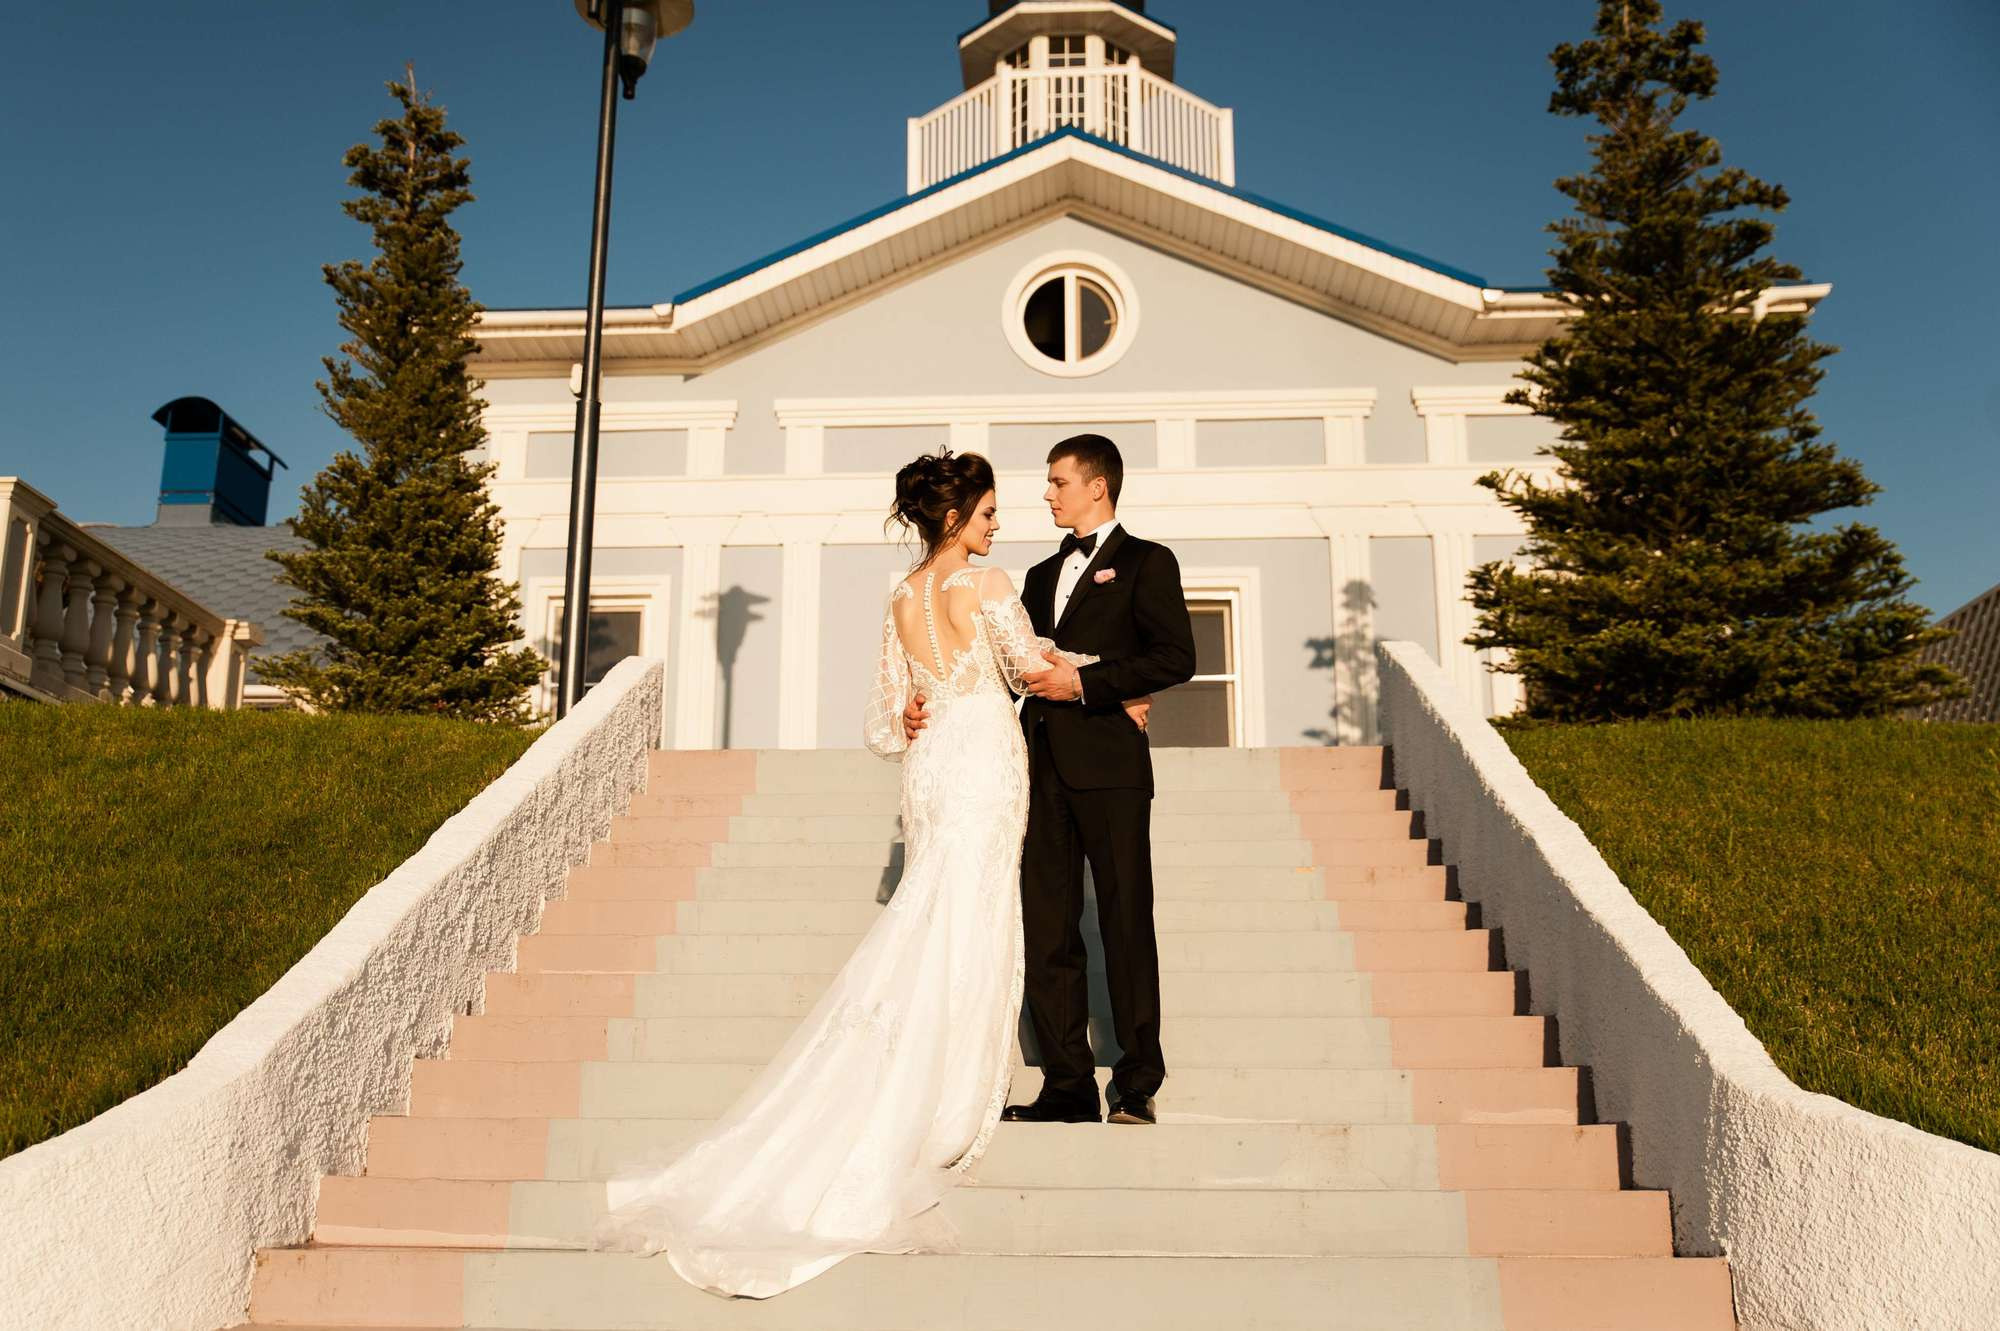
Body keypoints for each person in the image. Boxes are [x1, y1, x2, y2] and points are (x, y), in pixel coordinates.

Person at [591, 449, 1146, 1298]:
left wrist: (916, 709)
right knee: (971, 911)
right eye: (988, 511)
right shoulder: (989, 586)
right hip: (984, 758)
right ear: (954, 517)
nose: (999, 522)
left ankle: (913, 1060)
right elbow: (1031, 667)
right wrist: (1113, 683)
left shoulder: (901, 597)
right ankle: (947, 1088)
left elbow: (885, 722)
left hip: (932, 765)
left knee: (934, 907)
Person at [904, 435, 1196, 1127]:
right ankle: (1067, 1084)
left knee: (1125, 918)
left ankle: (1135, 1082)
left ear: (1097, 486)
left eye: (1058, 481)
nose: (1047, 493)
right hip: (1033, 767)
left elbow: (1175, 655)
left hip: (1111, 768)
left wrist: (1092, 684)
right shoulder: (1034, 575)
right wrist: (921, 700)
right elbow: (1006, 664)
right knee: (1047, 926)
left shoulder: (1149, 561)